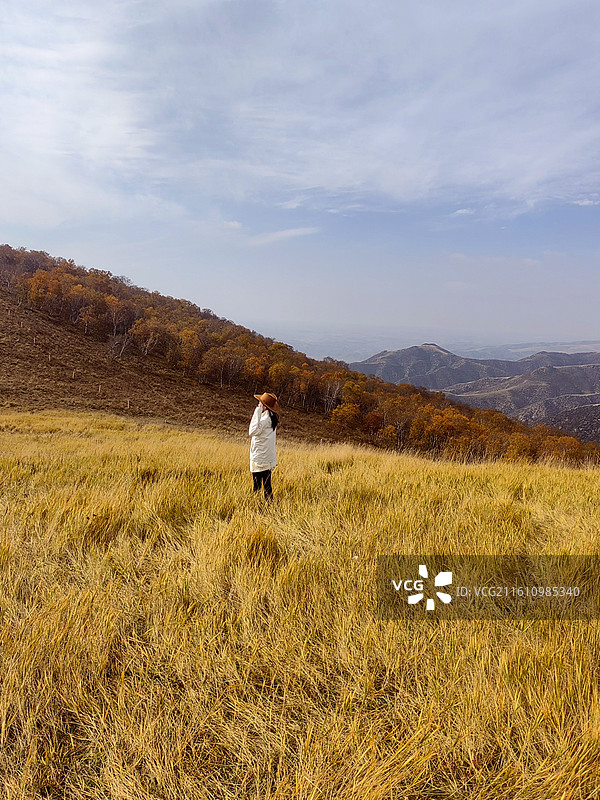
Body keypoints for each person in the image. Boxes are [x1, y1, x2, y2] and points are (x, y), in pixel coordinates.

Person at [248, 391, 280, 500]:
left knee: (257, 486)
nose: (258, 404)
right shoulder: (272, 418)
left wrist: (257, 411)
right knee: (267, 485)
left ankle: (257, 507)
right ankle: (269, 507)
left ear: (264, 406)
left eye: (260, 403)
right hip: (267, 457)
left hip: (260, 457)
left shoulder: (265, 419)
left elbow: (252, 431)